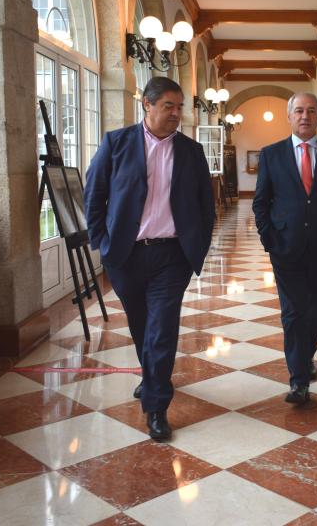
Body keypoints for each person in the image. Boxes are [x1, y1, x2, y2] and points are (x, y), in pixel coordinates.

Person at [84, 76, 214, 441]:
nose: (175, 114)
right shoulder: (117, 143)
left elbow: (206, 205)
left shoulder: (191, 151)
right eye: (168, 106)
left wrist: (197, 247)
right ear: (147, 104)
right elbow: (94, 196)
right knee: (141, 324)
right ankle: (151, 374)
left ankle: (156, 406)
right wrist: (102, 243)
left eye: (179, 107)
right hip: (126, 255)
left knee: (162, 327)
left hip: (172, 256)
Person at [253, 92, 317, 404]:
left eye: (311, 111)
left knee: (315, 310)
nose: (304, 116)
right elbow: (261, 202)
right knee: (294, 312)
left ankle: (305, 356)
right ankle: (298, 379)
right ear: (289, 116)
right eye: (298, 110)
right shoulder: (271, 154)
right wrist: (268, 238)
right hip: (285, 247)